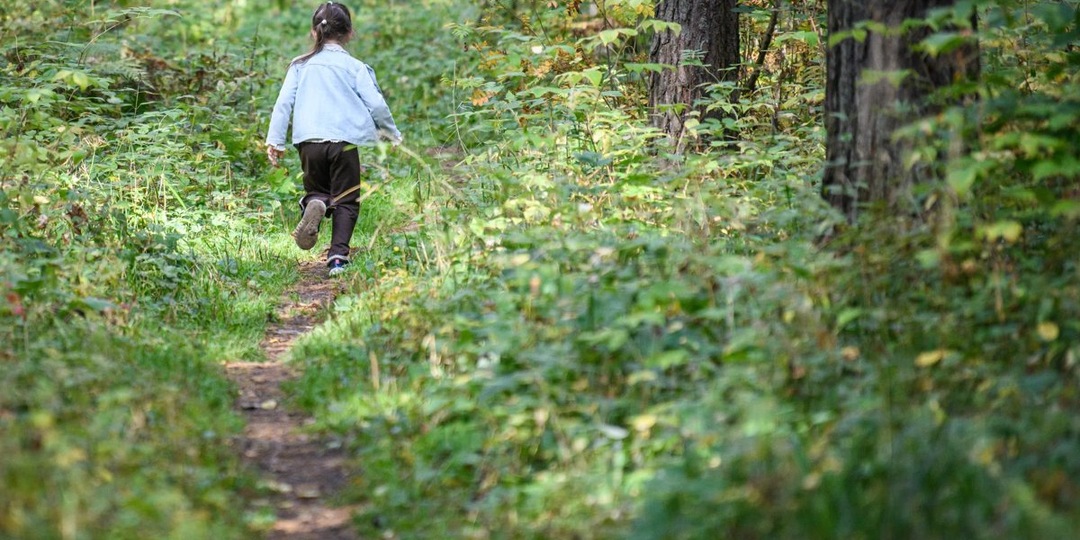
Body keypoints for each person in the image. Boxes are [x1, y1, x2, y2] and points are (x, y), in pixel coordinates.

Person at [265, 1, 402, 277]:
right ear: (349, 32)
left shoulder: (299, 66)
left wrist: (275, 141)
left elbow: (283, 104)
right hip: (344, 143)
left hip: (308, 142)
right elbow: (376, 104)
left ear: (315, 32)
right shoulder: (354, 67)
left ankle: (315, 202)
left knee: (318, 189)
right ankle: (338, 258)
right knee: (347, 199)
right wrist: (391, 133)